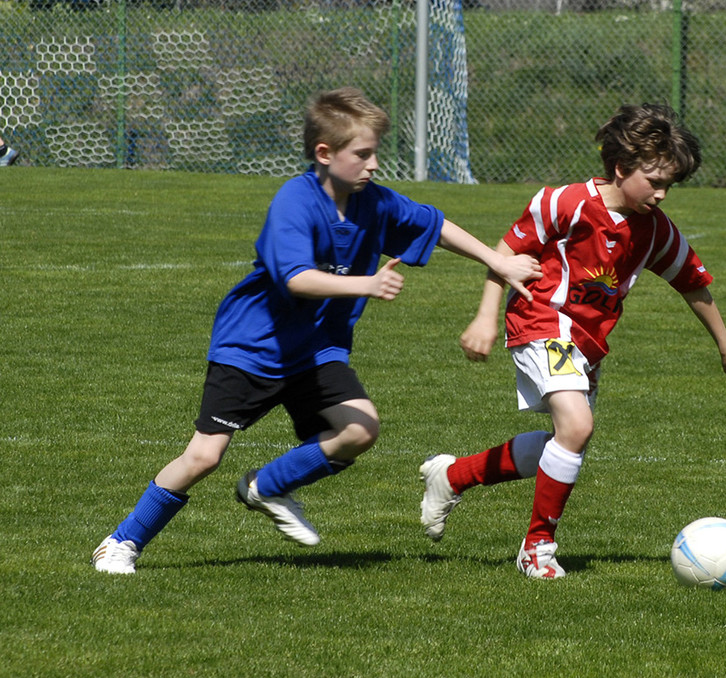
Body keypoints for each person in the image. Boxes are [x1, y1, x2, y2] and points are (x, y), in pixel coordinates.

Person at [91, 87, 541, 574]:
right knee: (203, 457)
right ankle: (122, 541)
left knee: (360, 428)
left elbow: (434, 224)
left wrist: (498, 261)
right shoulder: (295, 200)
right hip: (253, 348)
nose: (373, 165)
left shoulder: (373, 202)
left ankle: (267, 486)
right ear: (324, 153)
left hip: (317, 350)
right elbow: (296, 278)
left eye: (375, 153)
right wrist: (367, 284)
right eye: (362, 154)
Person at [418, 102, 726, 579]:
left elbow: (691, 283)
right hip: (540, 319)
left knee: (565, 441)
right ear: (621, 168)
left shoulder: (655, 231)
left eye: (669, 185)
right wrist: (485, 317)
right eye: (654, 181)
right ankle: (537, 548)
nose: (661, 194)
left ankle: (453, 476)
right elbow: (505, 255)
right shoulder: (564, 203)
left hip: (588, 342)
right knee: (576, 427)